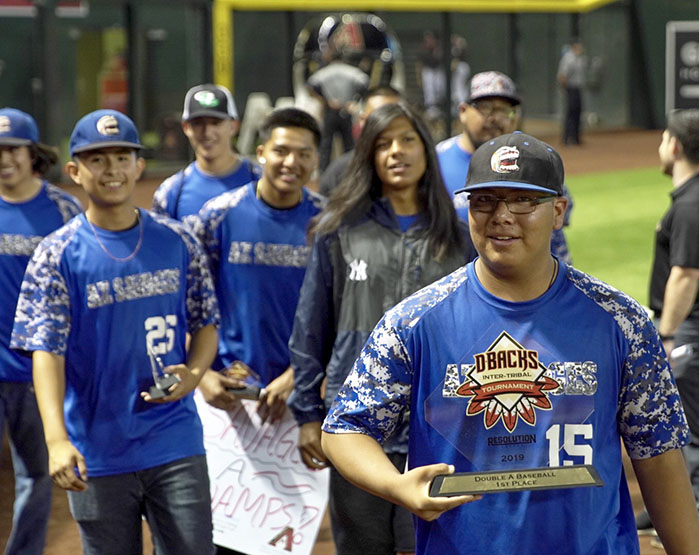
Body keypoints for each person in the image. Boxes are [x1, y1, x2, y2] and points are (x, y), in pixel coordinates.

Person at [320, 132, 699, 554]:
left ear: (558, 211)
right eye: (485, 200)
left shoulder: (621, 322)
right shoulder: (414, 321)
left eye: (523, 200)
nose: (501, 216)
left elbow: (658, 456)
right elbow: (344, 428)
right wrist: (396, 485)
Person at [11, 109, 220, 555]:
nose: (112, 170)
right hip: (98, 449)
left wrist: (196, 372)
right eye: (98, 159)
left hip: (174, 441)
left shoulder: (178, 241)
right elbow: (46, 352)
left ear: (139, 166)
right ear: (75, 171)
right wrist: (56, 441)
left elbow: (206, 322)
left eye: (123, 157)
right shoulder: (56, 255)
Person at [288, 102, 473, 555]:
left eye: (408, 139)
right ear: (368, 154)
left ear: (427, 151)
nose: (397, 152)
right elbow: (311, 329)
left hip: (440, 429)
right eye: (384, 143)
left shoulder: (460, 238)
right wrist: (309, 415)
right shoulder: (338, 230)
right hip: (358, 430)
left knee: (433, 545)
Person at [191, 106, 323, 426]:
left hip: (301, 395)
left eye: (304, 154)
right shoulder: (218, 215)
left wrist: (296, 378)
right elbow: (190, 301)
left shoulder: (328, 222)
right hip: (227, 393)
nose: (291, 163)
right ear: (261, 153)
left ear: (316, 159)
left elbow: (338, 313)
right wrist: (202, 374)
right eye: (281, 151)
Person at [640, 109, 699, 550]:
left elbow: (686, 275)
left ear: (675, 146)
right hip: (693, 328)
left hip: (691, 330)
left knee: (697, 428)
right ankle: (675, 507)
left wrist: (666, 334)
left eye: (663, 139)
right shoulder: (695, 196)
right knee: (679, 425)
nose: (660, 146)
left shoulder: (694, 205)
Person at [0, 107, 83, 555]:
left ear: (32, 153)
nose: (4, 158)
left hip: (39, 370)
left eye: (12, 149)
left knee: (36, 474)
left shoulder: (62, 209)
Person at [436, 71, 574, 263]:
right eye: (485, 108)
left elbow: (556, 233)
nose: (495, 118)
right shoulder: (435, 160)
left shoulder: (536, 159)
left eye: (504, 110)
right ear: (463, 111)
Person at [152, 83, 260, 222]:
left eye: (215, 123)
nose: (207, 132)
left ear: (234, 126)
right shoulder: (171, 193)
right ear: (185, 127)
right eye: (198, 123)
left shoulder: (261, 180)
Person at [317, 85, 402, 197]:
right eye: (379, 117)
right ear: (362, 120)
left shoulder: (418, 167)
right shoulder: (339, 173)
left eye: (395, 117)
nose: (387, 124)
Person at [306, 48, 370, 172]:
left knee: (326, 146)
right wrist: (355, 100)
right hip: (346, 110)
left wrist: (324, 100)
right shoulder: (351, 71)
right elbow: (365, 82)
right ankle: (351, 171)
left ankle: (323, 173)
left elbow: (311, 84)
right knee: (349, 145)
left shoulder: (324, 72)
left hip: (330, 110)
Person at [557, 38, 587, 146]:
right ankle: (566, 138)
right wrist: (565, 89)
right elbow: (562, 76)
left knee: (577, 112)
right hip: (571, 88)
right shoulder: (568, 58)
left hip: (578, 88)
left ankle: (576, 137)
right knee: (570, 112)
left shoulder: (581, 59)